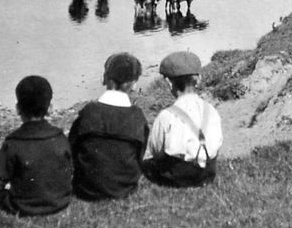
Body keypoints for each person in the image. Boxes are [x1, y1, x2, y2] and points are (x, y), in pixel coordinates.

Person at [0, 74, 73, 216]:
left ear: (18, 108)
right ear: (50, 108)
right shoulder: (60, 138)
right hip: (60, 203)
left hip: (22, 206)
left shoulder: (14, 142)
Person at [69, 52, 149, 200]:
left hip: (85, 188)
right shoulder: (137, 117)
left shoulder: (88, 112)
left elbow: (72, 147)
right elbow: (140, 154)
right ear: (134, 84)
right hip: (125, 187)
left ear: (104, 79)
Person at [143, 51, 223, 187]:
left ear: (169, 83)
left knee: (146, 164)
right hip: (209, 172)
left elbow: (155, 151)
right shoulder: (211, 109)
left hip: (179, 175)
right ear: (199, 80)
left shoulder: (166, 115)